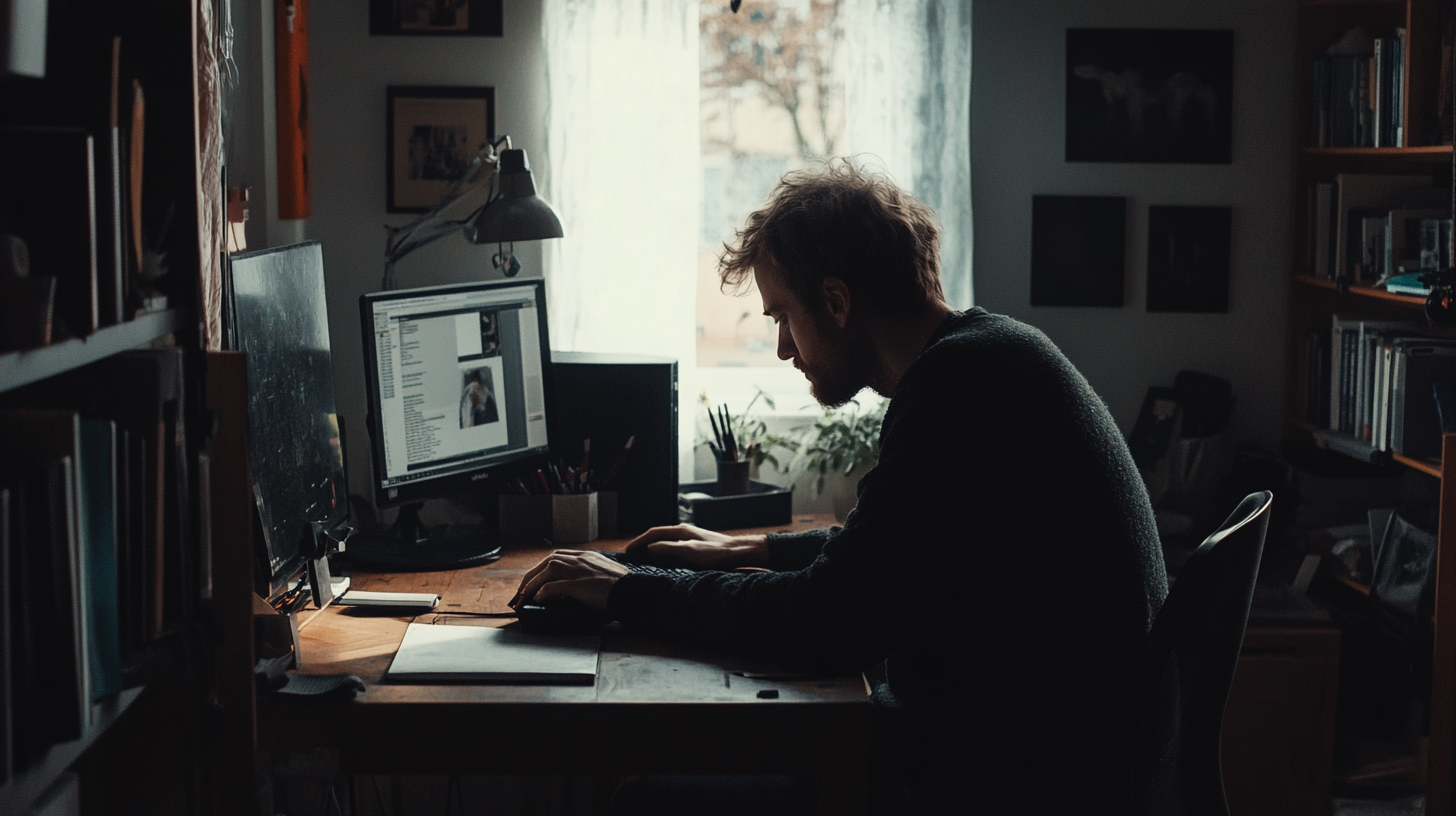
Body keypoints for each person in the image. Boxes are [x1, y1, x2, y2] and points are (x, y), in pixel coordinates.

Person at [511, 159, 1167, 813]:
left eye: (783, 317)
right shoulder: (988, 354)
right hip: (1035, 751)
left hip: (1004, 780)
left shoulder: (959, 389)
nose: (782, 349)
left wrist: (629, 589)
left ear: (835, 301)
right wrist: (754, 550)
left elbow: (828, 620)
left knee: (641, 804)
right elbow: (904, 548)